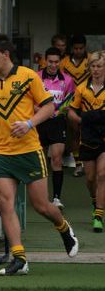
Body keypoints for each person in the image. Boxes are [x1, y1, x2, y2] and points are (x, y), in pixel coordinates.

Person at [0, 33, 79, 276]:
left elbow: (49, 106)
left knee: (41, 206)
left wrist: (29, 124)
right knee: (5, 203)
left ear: (5, 55)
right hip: (3, 153)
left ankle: (64, 229)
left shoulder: (28, 76)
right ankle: (19, 258)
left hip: (30, 151)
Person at [68, 51, 105, 233]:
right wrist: (82, 120)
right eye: (93, 66)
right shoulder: (81, 88)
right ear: (89, 68)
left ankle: (98, 215)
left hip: (104, 139)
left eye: (99, 66)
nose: (96, 70)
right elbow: (71, 112)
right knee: (90, 179)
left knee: (102, 175)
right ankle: (95, 201)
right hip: (87, 139)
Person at [36, 47, 75, 209]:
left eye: (56, 62)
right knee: (41, 161)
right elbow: (30, 99)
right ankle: (41, 197)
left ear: (60, 62)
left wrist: (58, 111)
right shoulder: (36, 77)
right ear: (45, 60)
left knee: (57, 160)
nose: (53, 65)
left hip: (58, 122)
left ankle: (57, 198)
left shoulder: (67, 80)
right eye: (50, 61)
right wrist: (42, 112)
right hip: (39, 121)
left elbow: (69, 101)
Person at [60, 34, 90, 177]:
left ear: (85, 47)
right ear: (72, 48)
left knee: (90, 132)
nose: (78, 51)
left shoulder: (91, 60)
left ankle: (91, 162)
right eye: (76, 48)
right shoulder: (64, 62)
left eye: (81, 48)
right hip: (71, 102)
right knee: (74, 132)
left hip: (89, 101)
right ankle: (78, 164)